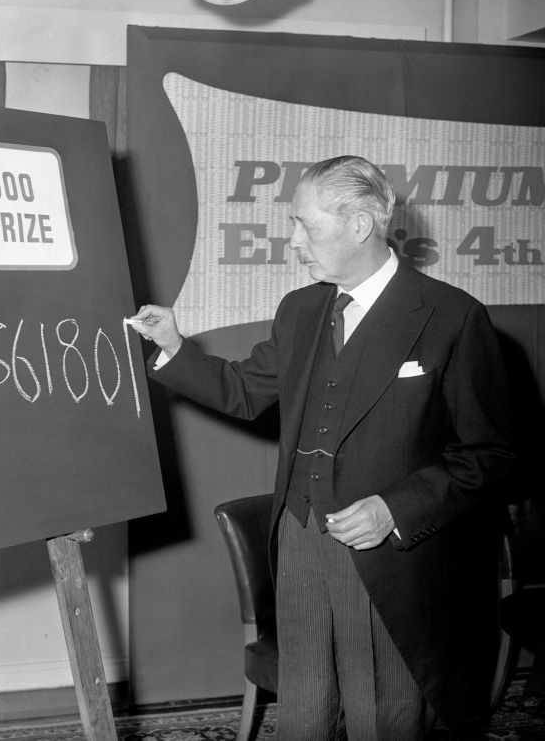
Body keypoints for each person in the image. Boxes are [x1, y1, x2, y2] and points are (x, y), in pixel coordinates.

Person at [129, 155, 513, 740]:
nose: (294, 241)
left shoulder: (453, 317)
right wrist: (172, 346)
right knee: (306, 715)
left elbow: (487, 453)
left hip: (392, 557)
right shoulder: (302, 309)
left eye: (306, 225)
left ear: (360, 225)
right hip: (301, 540)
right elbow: (242, 391)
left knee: (379, 715)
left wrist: (396, 509)